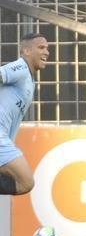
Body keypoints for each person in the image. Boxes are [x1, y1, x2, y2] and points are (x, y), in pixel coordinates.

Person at [0, 32, 51, 197]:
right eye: (41, 47)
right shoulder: (21, 68)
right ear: (26, 51)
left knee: (24, 183)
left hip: (5, 139)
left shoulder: (29, 78)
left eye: (47, 48)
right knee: (26, 181)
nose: (46, 52)